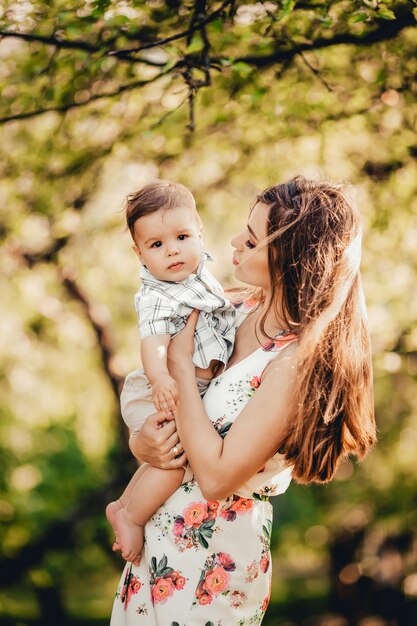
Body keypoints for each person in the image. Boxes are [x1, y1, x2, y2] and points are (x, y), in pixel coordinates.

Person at [110, 176, 376, 624]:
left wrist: (176, 362)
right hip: (153, 553)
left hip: (212, 563)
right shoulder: (227, 309)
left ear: (290, 259)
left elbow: (215, 479)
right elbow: (162, 409)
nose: (233, 241)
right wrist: (144, 444)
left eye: (251, 239)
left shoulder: (295, 363)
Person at [106, 181, 237, 566]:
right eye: (156, 245)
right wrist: (162, 377)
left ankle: (122, 504)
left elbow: (219, 306)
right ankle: (132, 515)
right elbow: (153, 342)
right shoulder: (156, 295)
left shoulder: (197, 276)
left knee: (162, 460)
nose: (172, 250)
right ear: (140, 254)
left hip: (181, 385)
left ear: (199, 231)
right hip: (158, 387)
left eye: (181, 236)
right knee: (177, 462)